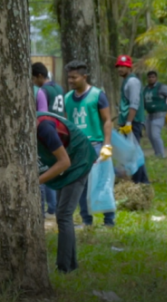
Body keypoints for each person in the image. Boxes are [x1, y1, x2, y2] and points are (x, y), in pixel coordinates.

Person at [37, 111, 97, 273]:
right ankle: (71, 265)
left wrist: (35, 182)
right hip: (67, 159)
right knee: (62, 214)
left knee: (64, 215)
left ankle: (64, 268)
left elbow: (64, 162)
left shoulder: (44, 128)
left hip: (79, 160)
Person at [63, 60, 115, 227]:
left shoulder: (97, 95)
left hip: (96, 145)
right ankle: (87, 221)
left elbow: (107, 120)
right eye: (69, 77)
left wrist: (107, 144)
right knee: (80, 185)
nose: (71, 80)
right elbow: (67, 124)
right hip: (77, 148)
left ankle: (109, 221)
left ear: (84, 77)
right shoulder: (67, 98)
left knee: (102, 182)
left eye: (74, 77)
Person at [32, 62, 65, 217]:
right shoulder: (59, 88)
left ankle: (49, 207)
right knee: (54, 168)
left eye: (33, 78)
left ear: (39, 76)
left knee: (45, 169)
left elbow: (42, 113)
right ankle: (53, 206)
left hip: (47, 131)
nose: (33, 82)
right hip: (59, 130)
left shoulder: (42, 91)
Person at [115, 55, 150, 184]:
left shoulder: (132, 82)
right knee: (131, 152)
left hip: (133, 122)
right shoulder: (126, 81)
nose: (120, 69)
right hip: (127, 122)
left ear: (130, 67)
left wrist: (129, 122)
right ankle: (138, 180)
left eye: (123, 66)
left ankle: (141, 181)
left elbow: (134, 103)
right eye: (119, 66)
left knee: (134, 152)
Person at [142, 70, 167, 158]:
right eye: (149, 77)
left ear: (156, 78)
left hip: (159, 115)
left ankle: (161, 155)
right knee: (150, 136)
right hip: (149, 115)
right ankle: (157, 154)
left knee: (155, 135)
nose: (151, 79)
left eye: (153, 77)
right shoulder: (145, 89)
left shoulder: (161, 87)